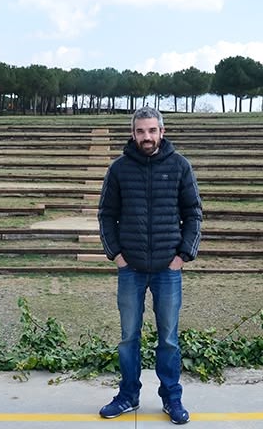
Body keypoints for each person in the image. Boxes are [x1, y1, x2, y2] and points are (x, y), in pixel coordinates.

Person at [97, 106, 202, 424]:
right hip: (131, 268)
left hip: (167, 270)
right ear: (133, 134)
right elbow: (106, 214)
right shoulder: (118, 169)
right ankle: (128, 395)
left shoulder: (180, 166)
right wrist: (115, 254)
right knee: (129, 336)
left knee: (168, 338)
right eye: (141, 131)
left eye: (152, 130)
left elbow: (193, 213)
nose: (147, 136)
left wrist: (183, 255)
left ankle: (171, 398)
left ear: (162, 132)